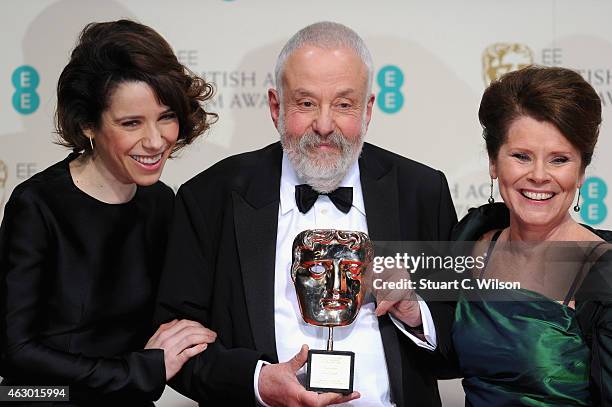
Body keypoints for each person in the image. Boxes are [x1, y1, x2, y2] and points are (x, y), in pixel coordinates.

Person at [155, 21, 457, 406]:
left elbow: (460, 343)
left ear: (367, 111)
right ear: (275, 107)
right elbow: (176, 344)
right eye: (307, 103)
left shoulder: (421, 192)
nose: (325, 125)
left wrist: (415, 311)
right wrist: (257, 382)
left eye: (344, 104)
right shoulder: (209, 197)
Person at [0, 20, 218, 405]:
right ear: (88, 124)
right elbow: (14, 352)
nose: (155, 141)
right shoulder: (37, 206)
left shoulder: (163, 203)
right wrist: (140, 370)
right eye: (131, 123)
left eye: (166, 116)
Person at [451, 66, 612, 406]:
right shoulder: (471, 241)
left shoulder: (604, 270)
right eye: (521, 156)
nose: (539, 175)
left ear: (581, 171)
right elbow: (441, 357)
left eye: (559, 159)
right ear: (494, 163)